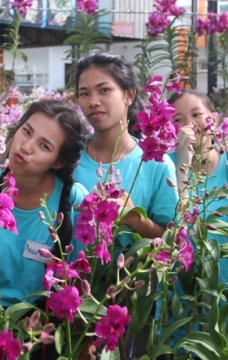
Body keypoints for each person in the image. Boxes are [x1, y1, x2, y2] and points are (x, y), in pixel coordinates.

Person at [0, 100, 87, 307]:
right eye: (27, 131)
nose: (26, 147)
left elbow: (77, 278)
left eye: (44, 146)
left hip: (45, 318)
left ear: (58, 162)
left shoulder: (75, 200)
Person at [72, 53, 178, 247]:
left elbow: (173, 241)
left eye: (104, 90)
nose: (93, 101)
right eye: (84, 93)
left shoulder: (156, 164)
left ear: (129, 95)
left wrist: (136, 219)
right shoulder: (69, 157)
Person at [170, 89, 228, 284]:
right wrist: (183, 164)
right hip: (182, 289)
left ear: (213, 120)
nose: (190, 125)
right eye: (178, 120)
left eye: (196, 114)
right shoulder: (164, 167)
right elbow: (176, 226)